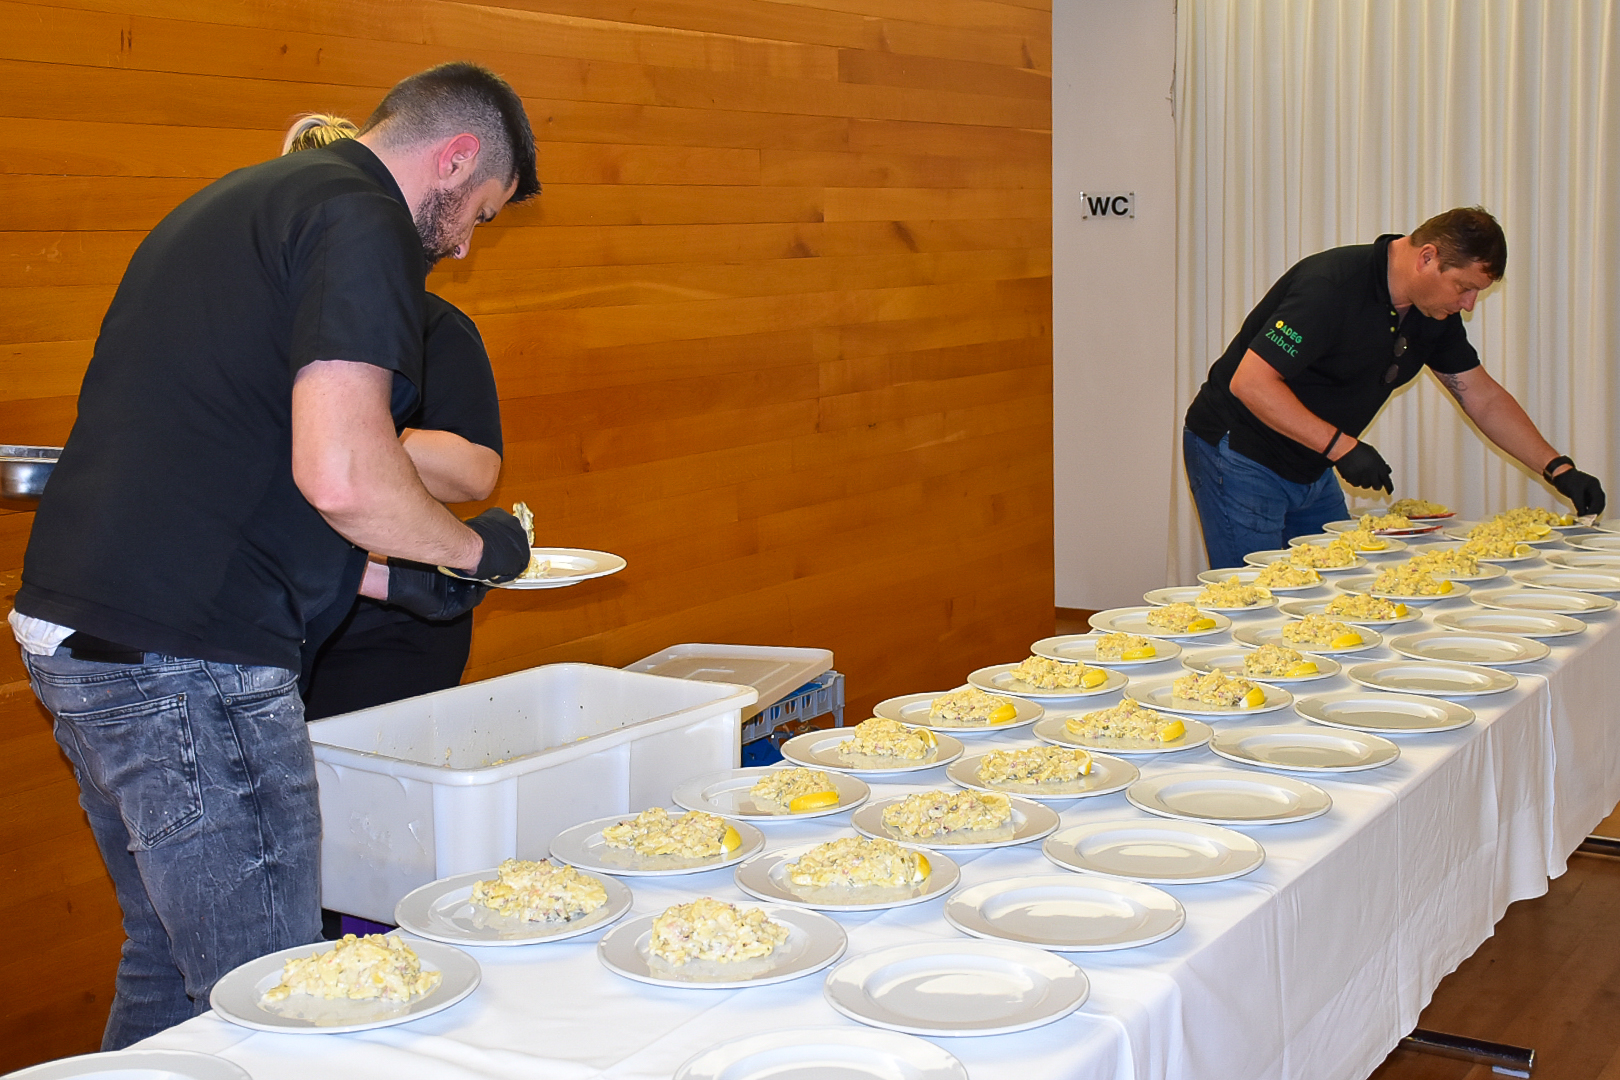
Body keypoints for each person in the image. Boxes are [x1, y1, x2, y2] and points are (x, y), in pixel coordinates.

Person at [7, 62, 539, 1049]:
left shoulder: (240, 201)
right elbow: (343, 473)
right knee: (281, 994)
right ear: (456, 157)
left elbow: (243, 467)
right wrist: (473, 552)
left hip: (80, 634)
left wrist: (398, 574)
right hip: (188, 661)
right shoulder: (363, 219)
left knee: (172, 968)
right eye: (480, 213)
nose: (465, 243)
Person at [1183, 206, 1606, 569]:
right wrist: (1342, 448)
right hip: (1239, 454)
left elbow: (1482, 396)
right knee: (1255, 596)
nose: (1468, 305)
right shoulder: (1332, 286)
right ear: (1427, 257)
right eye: (1464, 288)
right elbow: (1251, 382)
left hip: (1310, 461)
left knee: (1333, 587)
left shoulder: (1431, 311)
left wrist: (1558, 468)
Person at [281, 114, 506, 718]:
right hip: (284, 622)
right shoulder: (260, 324)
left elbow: (477, 474)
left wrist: (347, 423)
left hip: (389, 632)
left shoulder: (435, 326)